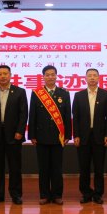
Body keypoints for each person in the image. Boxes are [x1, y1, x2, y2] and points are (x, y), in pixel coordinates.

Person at [0, 65, 28, 205]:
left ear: (10, 75)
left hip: (14, 135)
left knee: (15, 167)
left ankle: (16, 194)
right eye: (0, 74)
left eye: (5, 73)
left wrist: (20, 131)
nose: (3, 76)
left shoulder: (20, 92)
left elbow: (23, 114)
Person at [28, 65, 71, 205]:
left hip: (58, 137)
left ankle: (57, 195)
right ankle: (44, 195)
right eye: (47, 74)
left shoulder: (64, 93)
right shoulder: (37, 93)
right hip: (41, 136)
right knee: (43, 168)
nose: (50, 77)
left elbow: (67, 116)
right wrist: (32, 135)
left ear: (56, 76)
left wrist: (67, 135)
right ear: (43, 77)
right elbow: (32, 115)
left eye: (53, 74)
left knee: (57, 168)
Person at [73, 68, 107, 204]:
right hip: (83, 137)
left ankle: (98, 194)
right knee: (84, 168)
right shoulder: (78, 95)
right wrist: (76, 135)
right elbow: (75, 118)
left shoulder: (106, 94)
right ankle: (86, 193)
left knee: (99, 168)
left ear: (99, 78)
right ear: (85, 78)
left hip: (99, 136)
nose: (92, 78)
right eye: (89, 75)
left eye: (95, 75)